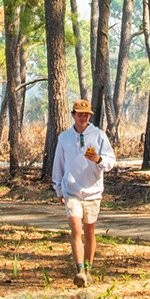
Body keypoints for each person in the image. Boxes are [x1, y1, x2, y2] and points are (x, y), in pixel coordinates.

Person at [49, 98, 115, 287]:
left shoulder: (99, 135)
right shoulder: (64, 137)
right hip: (72, 190)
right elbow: (58, 164)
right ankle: (79, 270)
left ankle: (89, 267)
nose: (83, 118)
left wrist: (99, 159)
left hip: (93, 191)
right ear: (73, 115)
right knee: (76, 229)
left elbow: (110, 161)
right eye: (80, 114)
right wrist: (58, 188)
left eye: (86, 115)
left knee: (89, 230)